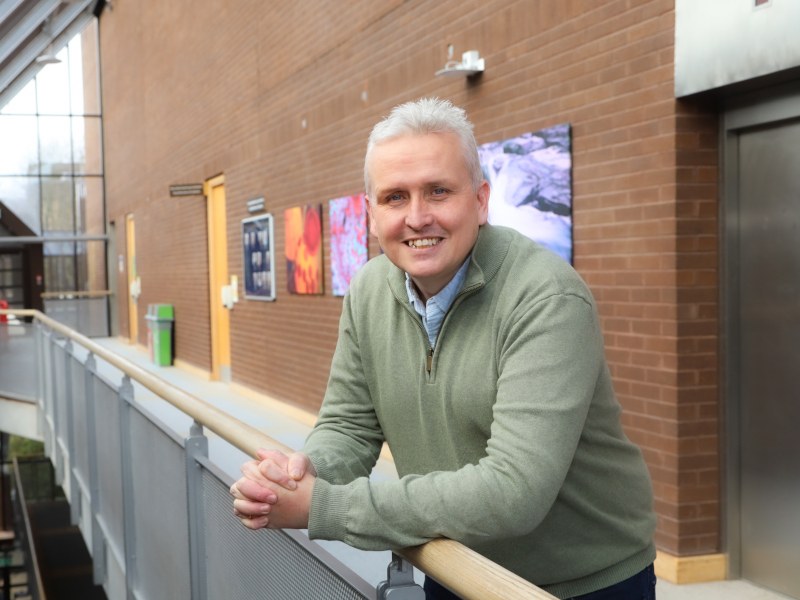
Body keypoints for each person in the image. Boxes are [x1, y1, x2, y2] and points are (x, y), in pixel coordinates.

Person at [230, 97, 657, 600]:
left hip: (578, 585)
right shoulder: (368, 291)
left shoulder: (547, 297)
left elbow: (513, 491)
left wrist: (324, 507)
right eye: (394, 197)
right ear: (370, 214)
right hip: (454, 563)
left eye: (438, 191)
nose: (417, 217)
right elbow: (348, 426)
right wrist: (303, 472)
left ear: (480, 200)